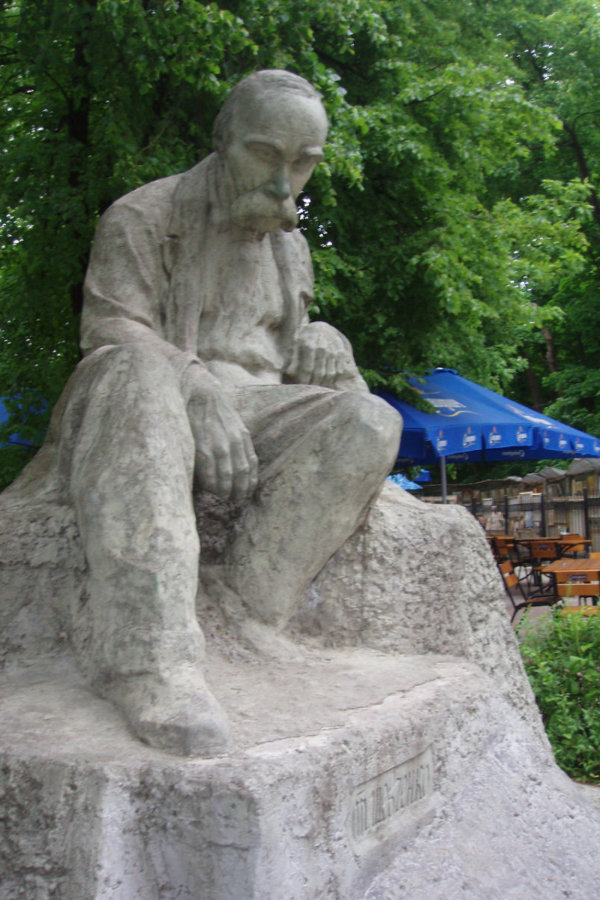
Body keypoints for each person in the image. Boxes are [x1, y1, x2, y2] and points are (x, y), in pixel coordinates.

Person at [7, 70, 402, 755]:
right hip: (138, 399)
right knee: (138, 370)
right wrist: (190, 382)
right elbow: (111, 331)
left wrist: (325, 340)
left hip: (260, 411)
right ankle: (150, 662)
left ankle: (246, 618)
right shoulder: (143, 217)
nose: (285, 185)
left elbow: (277, 361)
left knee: (372, 421)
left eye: (303, 164)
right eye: (265, 155)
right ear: (223, 141)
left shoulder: (292, 247)